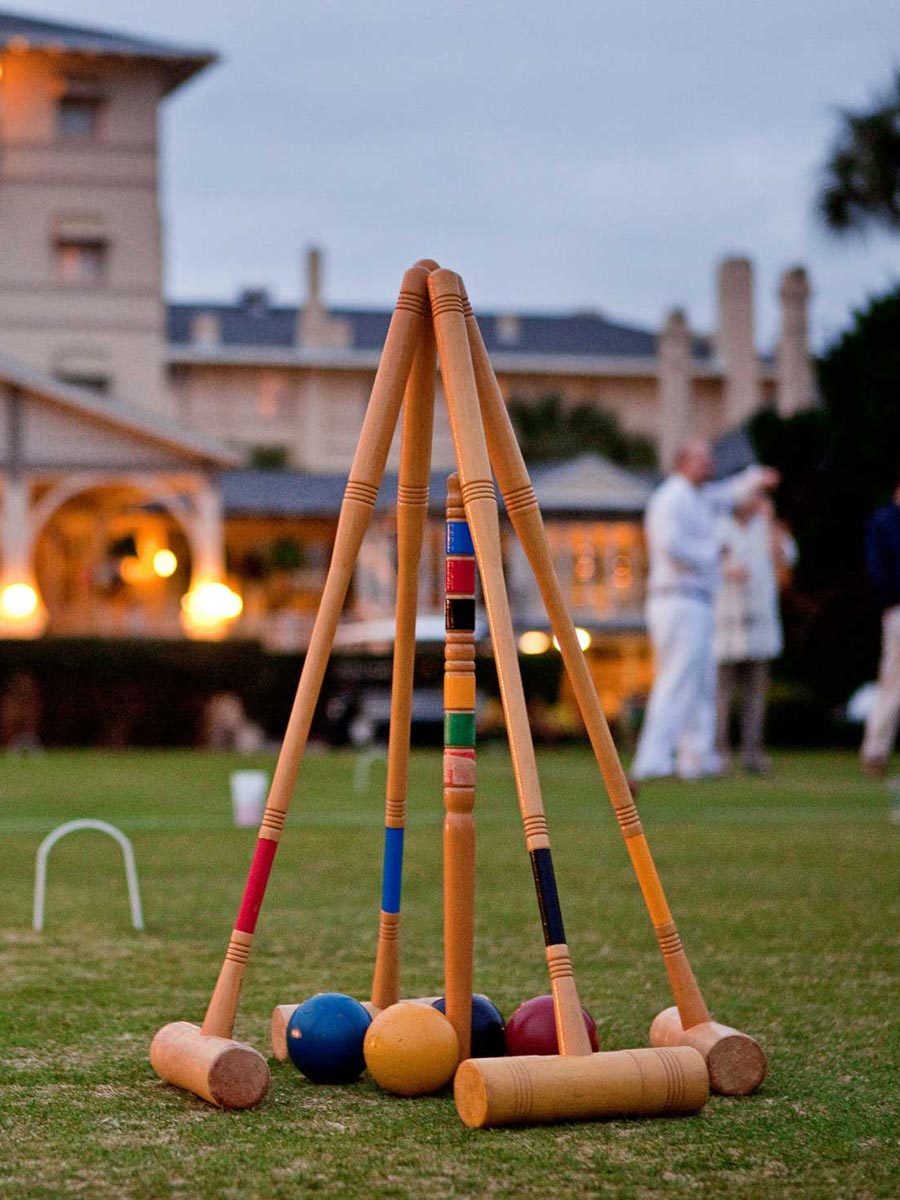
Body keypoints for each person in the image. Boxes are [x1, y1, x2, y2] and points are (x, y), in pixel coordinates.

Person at [630, 439, 778, 784]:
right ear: (684, 462)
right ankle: (653, 758)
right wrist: (715, 552)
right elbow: (672, 546)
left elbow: (729, 493)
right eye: (702, 460)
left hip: (697, 600)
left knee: (701, 683)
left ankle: (696, 757)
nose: (709, 465)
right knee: (677, 679)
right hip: (675, 599)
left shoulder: (700, 497)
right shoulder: (670, 499)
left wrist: (756, 477)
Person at [714, 493, 797, 774]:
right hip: (726, 624)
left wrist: (770, 521)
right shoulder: (719, 525)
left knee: (755, 695)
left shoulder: (767, 528)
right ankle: (719, 753)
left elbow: (786, 559)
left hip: (760, 624)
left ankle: (753, 753)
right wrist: (728, 568)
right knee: (721, 695)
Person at [861, 478, 900, 776]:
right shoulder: (885, 522)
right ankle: (875, 749)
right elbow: (879, 569)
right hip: (897, 608)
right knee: (893, 680)